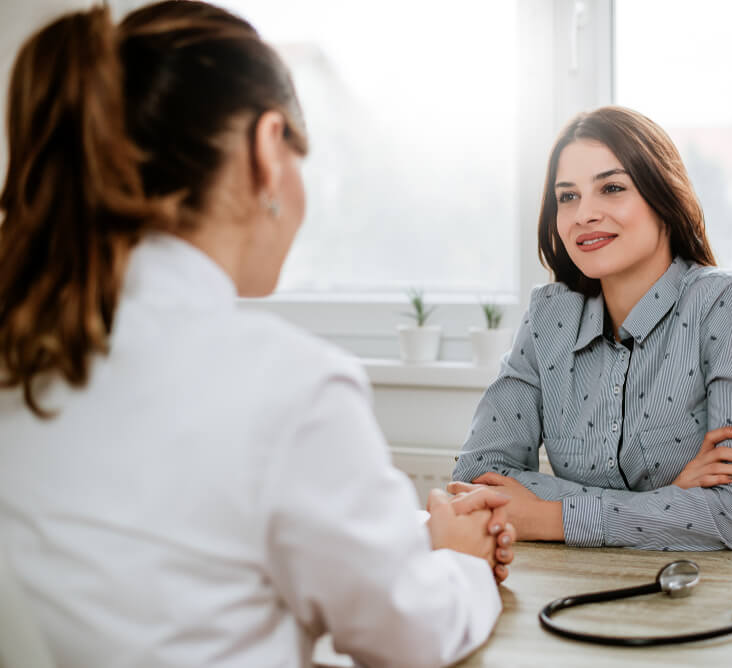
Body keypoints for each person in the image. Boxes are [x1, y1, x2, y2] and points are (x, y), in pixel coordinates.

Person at [0, 3, 513, 667]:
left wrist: (411, 539)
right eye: (303, 160)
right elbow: (409, 637)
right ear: (267, 150)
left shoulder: (27, 351)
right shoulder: (288, 385)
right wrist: (461, 563)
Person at [451, 106, 732, 551]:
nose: (583, 214)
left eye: (611, 188)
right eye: (567, 196)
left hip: (698, 595)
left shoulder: (725, 304)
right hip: (577, 586)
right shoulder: (549, 316)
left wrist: (552, 517)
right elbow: (476, 480)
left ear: (663, 198)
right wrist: (667, 502)